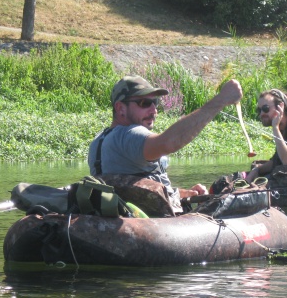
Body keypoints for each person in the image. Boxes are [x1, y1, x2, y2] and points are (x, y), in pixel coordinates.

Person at [88, 75, 243, 210]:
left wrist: (182, 193)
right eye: (144, 103)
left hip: (133, 218)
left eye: (154, 102)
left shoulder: (100, 140)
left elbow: (138, 188)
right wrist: (221, 100)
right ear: (120, 108)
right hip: (150, 226)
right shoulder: (129, 134)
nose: (154, 110)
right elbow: (168, 143)